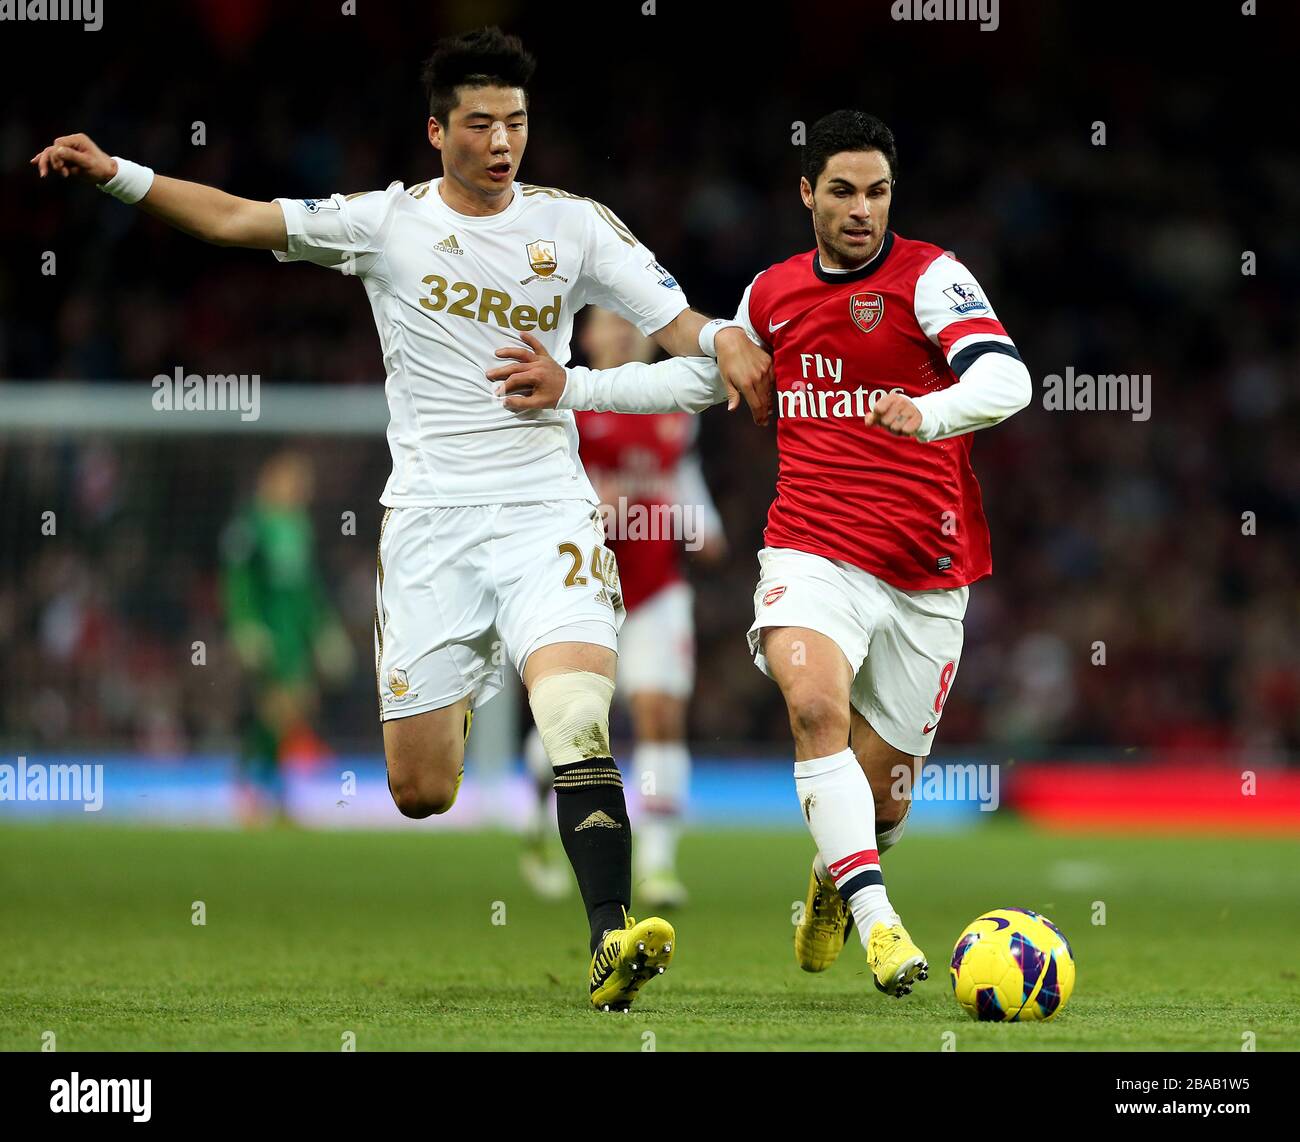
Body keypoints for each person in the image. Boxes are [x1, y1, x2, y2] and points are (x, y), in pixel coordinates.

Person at [31, 25, 773, 1012]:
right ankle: (461, 684)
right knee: (421, 790)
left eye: (516, 121)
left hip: (543, 509)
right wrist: (118, 172)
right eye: (480, 123)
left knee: (574, 716)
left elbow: (682, 323)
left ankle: (610, 937)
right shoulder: (384, 224)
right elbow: (235, 220)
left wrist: (721, 341)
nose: (502, 141)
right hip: (428, 526)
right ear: (437, 131)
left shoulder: (578, 226)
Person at [490, 109, 1033, 999]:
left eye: (879, 192)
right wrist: (571, 386)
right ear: (807, 194)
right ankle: (880, 923)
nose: (864, 210)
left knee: (886, 799)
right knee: (814, 708)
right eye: (846, 191)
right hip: (811, 550)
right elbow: (695, 383)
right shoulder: (771, 297)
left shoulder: (931, 279)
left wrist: (927, 413)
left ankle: (834, 875)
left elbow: (1006, 377)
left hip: (927, 576)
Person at [521, 309, 726, 908]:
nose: (622, 333)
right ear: (585, 338)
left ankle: (658, 865)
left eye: (631, 323)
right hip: (587, 587)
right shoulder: (569, 404)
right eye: (609, 323)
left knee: (661, 716)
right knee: (577, 725)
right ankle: (535, 823)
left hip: (659, 586)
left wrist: (704, 526)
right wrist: (590, 501)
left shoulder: (673, 408)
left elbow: (682, 481)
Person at [220, 451, 353, 822]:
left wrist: (325, 631)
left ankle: (262, 790)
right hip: (268, 632)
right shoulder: (250, 525)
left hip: (295, 633)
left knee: (290, 711)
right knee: (281, 709)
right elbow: (238, 582)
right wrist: (244, 625)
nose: (301, 489)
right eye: (293, 481)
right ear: (271, 480)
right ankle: (261, 790)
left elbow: (309, 588)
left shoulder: (299, 525)